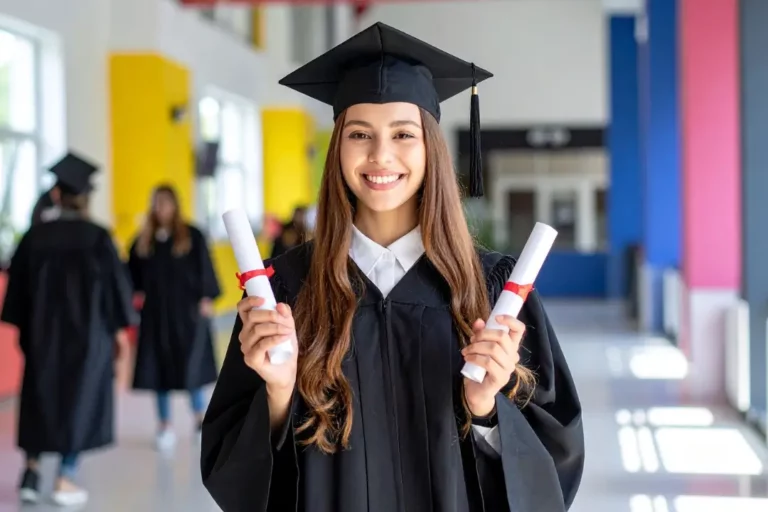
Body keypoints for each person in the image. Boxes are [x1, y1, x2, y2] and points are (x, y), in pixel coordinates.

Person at [201, 22, 584, 512]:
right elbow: (232, 473)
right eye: (359, 133)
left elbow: (556, 463)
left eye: (403, 134)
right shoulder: (285, 293)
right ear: (338, 147)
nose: (380, 154)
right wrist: (278, 394)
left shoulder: (491, 291)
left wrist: (487, 411)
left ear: (431, 149)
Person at [1, 152, 135, 507]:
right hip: (88, 337)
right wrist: (121, 333)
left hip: (42, 335)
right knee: (80, 399)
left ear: (56, 195)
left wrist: (28, 330)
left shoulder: (34, 237)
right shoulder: (98, 237)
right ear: (86, 196)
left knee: (39, 398)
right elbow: (117, 291)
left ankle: (30, 473)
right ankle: (64, 476)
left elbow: (16, 294)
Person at [128, 184, 221, 451]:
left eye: (165, 203)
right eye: (157, 203)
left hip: (186, 315)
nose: (161, 208)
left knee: (190, 366)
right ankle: (164, 424)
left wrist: (206, 298)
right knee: (158, 371)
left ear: (175, 205)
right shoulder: (145, 240)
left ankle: (199, 419)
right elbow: (131, 275)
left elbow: (206, 268)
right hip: (156, 317)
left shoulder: (191, 236)